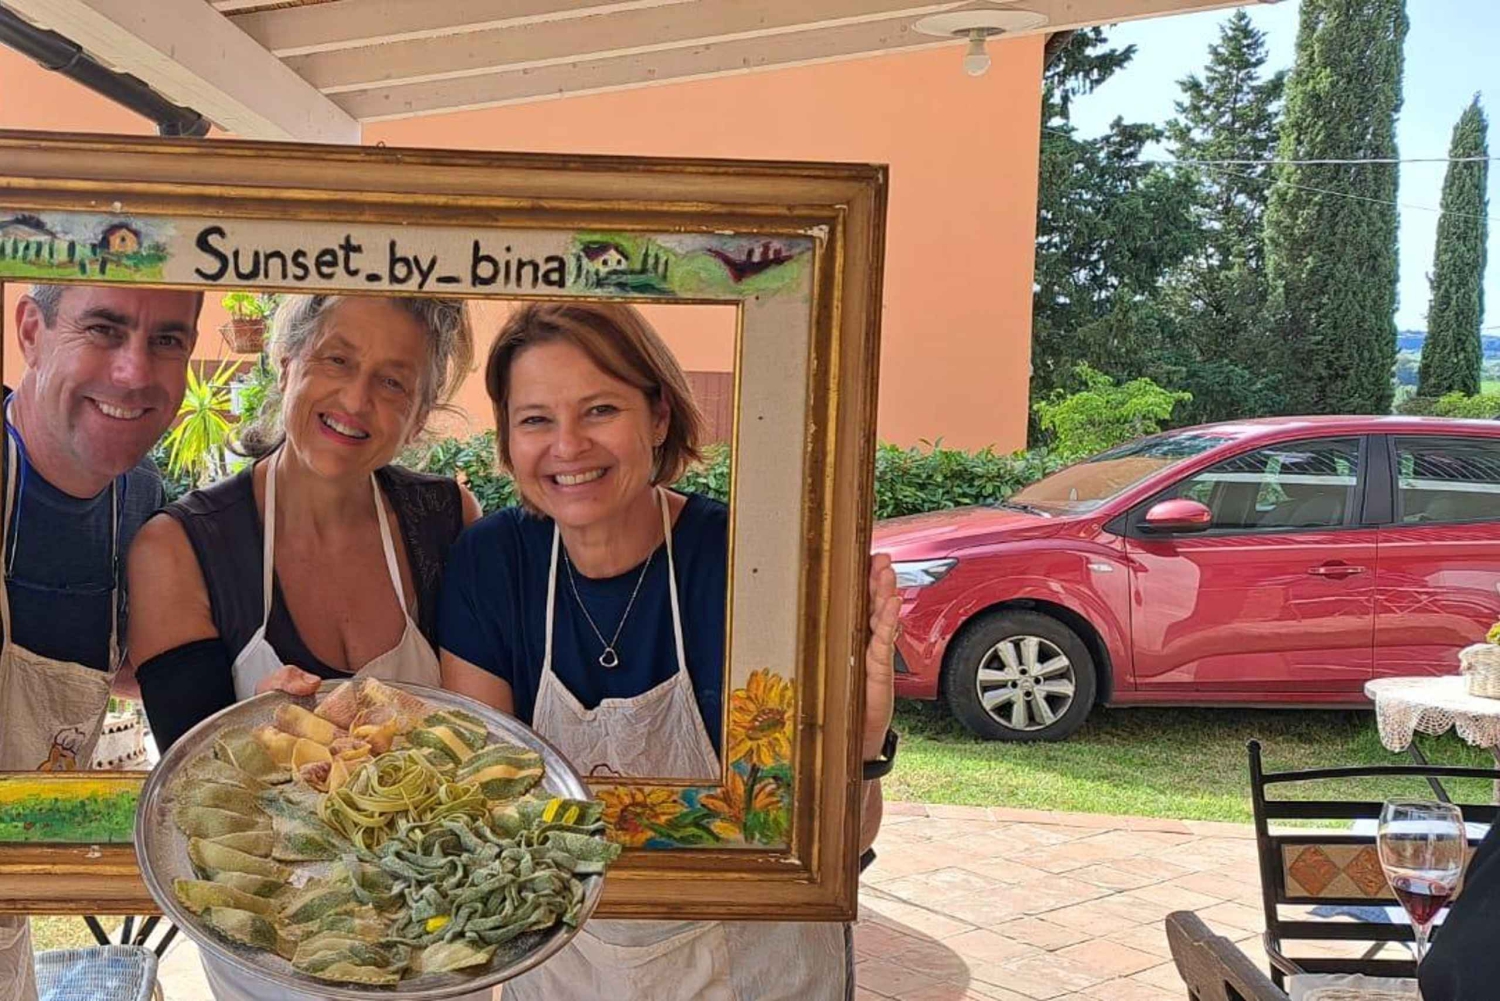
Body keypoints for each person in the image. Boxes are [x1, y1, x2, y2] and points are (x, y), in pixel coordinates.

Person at [439, 301, 899, 1000]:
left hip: (759, 968)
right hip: (573, 967)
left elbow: (839, 845)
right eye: (535, 419)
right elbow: (490, 804)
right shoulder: (491, 563)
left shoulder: (748, 564)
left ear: (658, 417)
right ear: (507, 436)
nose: (568, 445)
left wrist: (857, 749)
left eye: (599, 410)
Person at [126, 293, 483, 1001]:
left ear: (419, 415)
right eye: (336, 360)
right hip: (278, 948)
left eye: (393, 381)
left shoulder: (447, 519)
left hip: (433, 933)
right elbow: (196, 805)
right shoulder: (180, 548)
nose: (356, 399)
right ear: (286, 363)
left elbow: (476, 745)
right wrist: (257, 736)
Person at [0, 283, 203, 1001]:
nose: (133, 370)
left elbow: (119, 667)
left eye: (167, 340)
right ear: (31, 331)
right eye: (103, 329)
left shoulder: (138, 498)